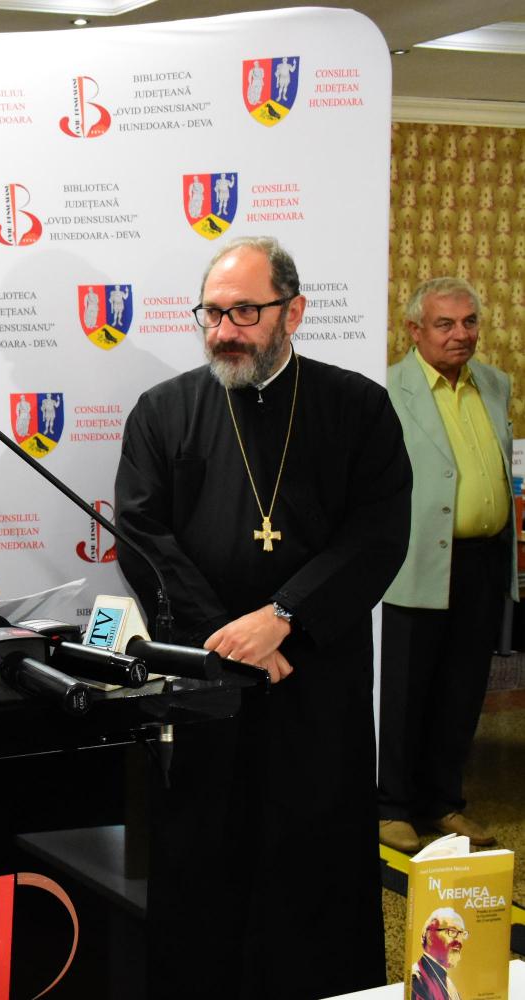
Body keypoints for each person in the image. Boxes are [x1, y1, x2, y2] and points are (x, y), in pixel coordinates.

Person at [113, 235, 411, 998]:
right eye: (212, 313)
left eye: (245, 311)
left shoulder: (358, 408)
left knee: (313, 862)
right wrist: (229, 637)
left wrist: (283, 617)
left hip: (316, 678)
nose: (224, 330)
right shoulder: (164, 411)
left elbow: (378, 533)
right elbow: (142, 535)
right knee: (204, 861)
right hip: (205, 681)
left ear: (293, 312)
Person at [379, 277, 514, 853]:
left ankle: (442, 801)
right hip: (415, 561)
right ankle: (391, 806)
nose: (461, 334)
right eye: (445, 323)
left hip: (483, 561)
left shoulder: (495, 383)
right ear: (415, 330)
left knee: (462, 689)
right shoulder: (387, 389)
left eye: (469, 321)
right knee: (406, 689)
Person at [412, 908, 467, 1000]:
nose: (459, 940)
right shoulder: (416, 978)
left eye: (462, 934)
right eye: (452, 931)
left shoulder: (449, 984)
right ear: (429, 935)